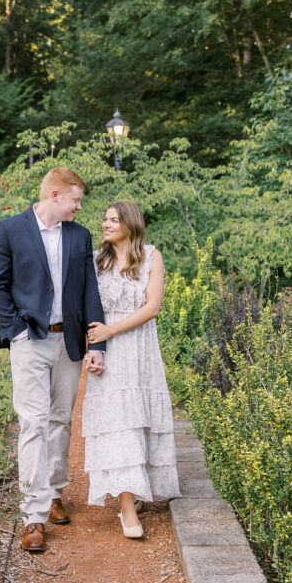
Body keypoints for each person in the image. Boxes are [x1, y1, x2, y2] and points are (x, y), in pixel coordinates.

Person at [0, 167, 106, 553]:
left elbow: (89, 288)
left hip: (67, 342)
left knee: (59, 421)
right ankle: (33, 516)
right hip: (30, 341)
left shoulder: (79, 235)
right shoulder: (10, 230)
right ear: (55, 196)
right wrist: (16, 328)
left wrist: (95, 342)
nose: (80, 206)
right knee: (33, 423)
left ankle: (53, 493)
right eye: (75, 199)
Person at [82, 200, 179, 538]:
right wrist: (96, 344)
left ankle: (136, 488)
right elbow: (86, 306)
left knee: (140, 418)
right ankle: (126, 508)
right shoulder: (96, 260)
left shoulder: (151, 256)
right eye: (104, 219)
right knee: (119, 424)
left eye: (112, 220)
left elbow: (152, 307)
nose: (105, 225)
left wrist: (113, 328)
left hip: (141, 349)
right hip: (110, 353)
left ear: (129, 224)